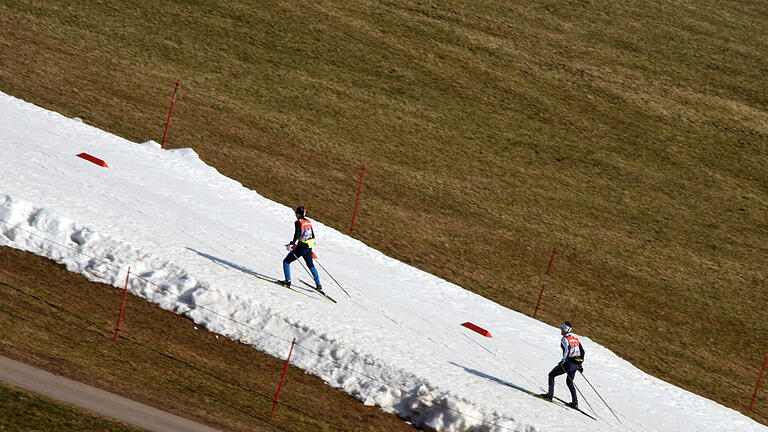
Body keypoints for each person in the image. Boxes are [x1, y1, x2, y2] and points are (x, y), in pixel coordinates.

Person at [540, 321, 585, 409]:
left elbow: (567, 350)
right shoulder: (575, 339)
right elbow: (582, 351)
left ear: (565, 330)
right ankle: (575, 403)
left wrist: (563, 360)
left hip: (569, 364)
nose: (561, 329)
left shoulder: (564, 339)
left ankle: (550, 395)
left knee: (551, 375)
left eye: (562, 328)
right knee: (569, 382)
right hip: (576, 364)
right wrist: (580, 364)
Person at [278, 206, 323, 293]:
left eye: (296, 213)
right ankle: (318, 285)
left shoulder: (298, 222)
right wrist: (310, 249)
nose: (295, 214)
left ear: (299, 214)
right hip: (309, 247)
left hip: (302, 247)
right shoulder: (308, 222)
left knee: (286, 261)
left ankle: (287, 281)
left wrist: (292, 243)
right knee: (311, 265)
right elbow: (312, 235)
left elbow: (297, 233)